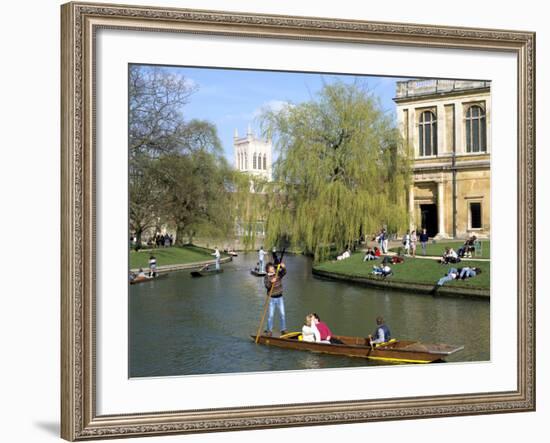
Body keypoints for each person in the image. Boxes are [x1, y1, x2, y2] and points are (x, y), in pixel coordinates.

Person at [264, 261, 287, 336]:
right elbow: (267, 286)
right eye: (271, 268)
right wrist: (271, 282)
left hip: (280, 297)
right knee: (271, 316)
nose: (273, 269)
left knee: (282, 314)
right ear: (268, 270)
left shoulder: (278, 274)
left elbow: (284, 272)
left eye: (273, 268)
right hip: (272, 299)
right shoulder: (267, 277)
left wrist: (283, 267)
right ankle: (269, 331)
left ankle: (283, 330)